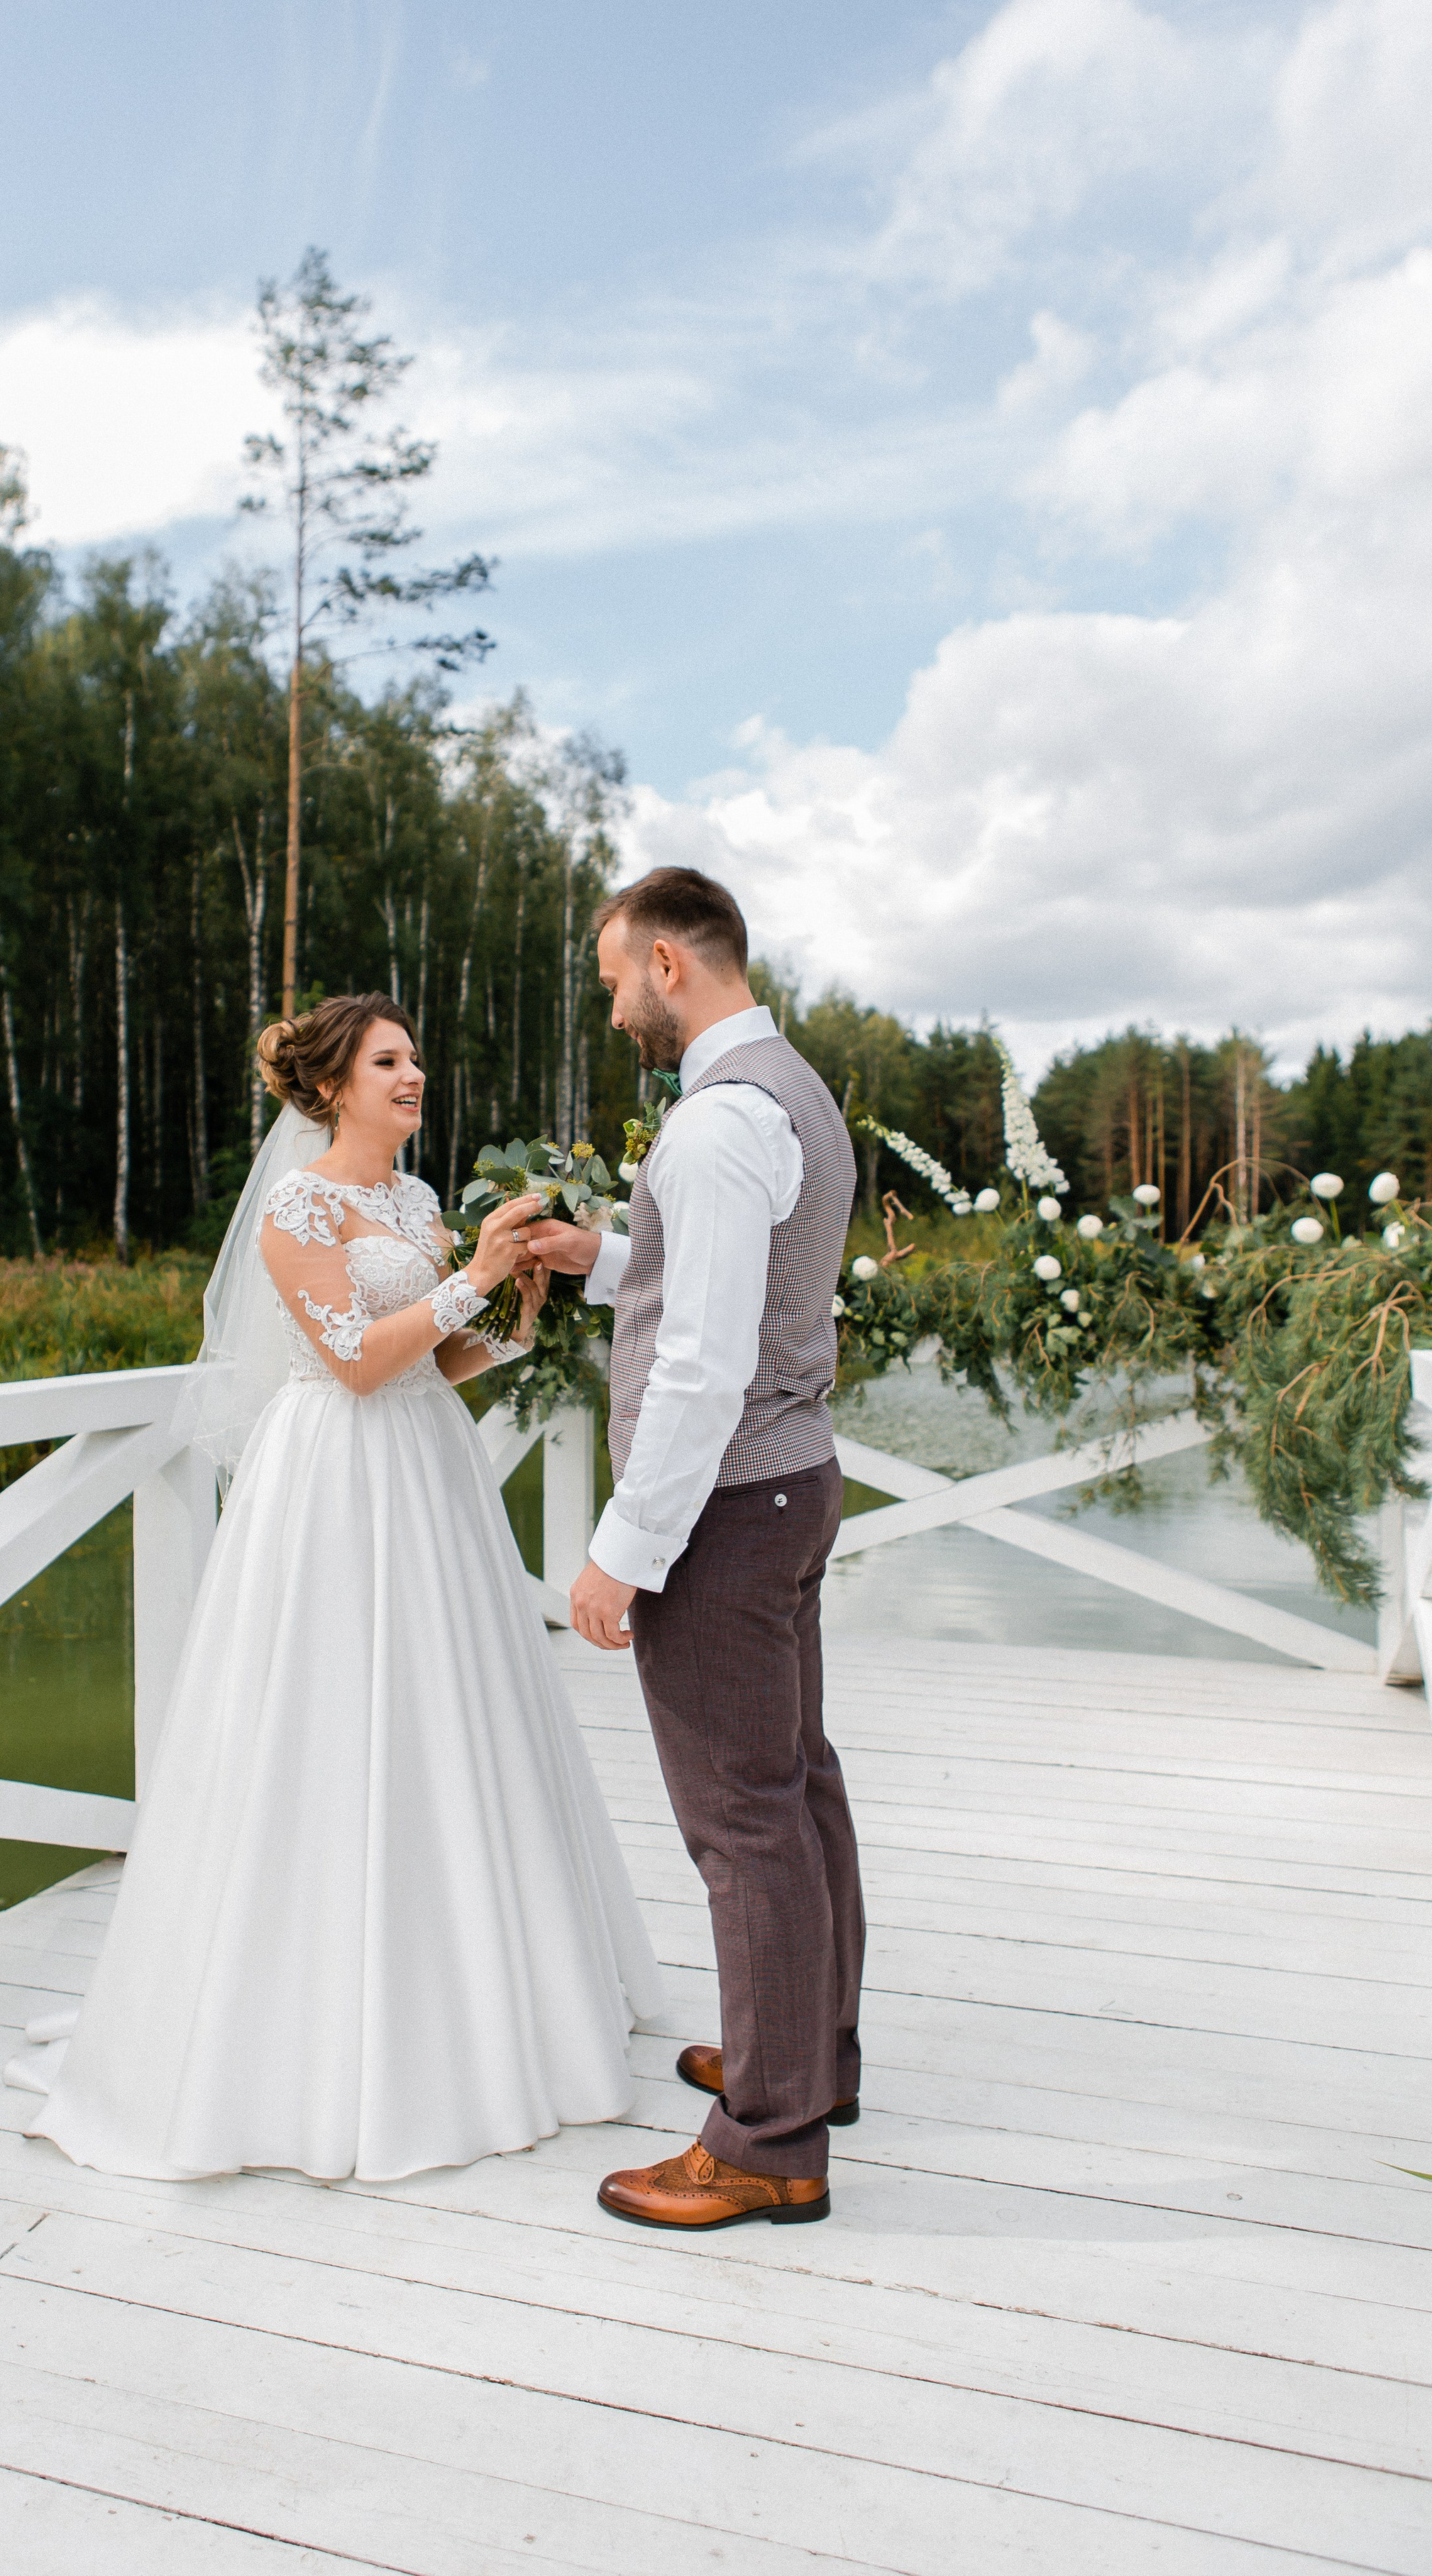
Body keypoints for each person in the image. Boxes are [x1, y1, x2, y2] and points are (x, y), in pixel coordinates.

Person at [10, 991, 663, 2184]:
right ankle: (302, 2033)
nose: (414, 1075)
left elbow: (439, 1359)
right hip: (331, 1483)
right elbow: (356, 1363)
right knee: (321, 1725)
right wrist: (471, 1272)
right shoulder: (293, 1209)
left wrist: (511, 1312)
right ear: (329, 1088)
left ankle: (477, 2000)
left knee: (446, 1723)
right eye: (388, 1060)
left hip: (428, 1480)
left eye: (416, 1058)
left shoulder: (414, 1203)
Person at [523, 867, 862, 2232]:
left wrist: (622, 1549)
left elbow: (709, 1358)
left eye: (613, 978)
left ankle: (769, 2142)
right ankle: (807, 2057)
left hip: (724, 1512)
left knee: (743, 1823)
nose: (612, 1008)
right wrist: (596, 1254)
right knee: (796, 1787)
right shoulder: (788, 1087)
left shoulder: (718, 1122)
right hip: (792, 1483)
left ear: (669, 962)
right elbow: (726, 1276)